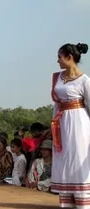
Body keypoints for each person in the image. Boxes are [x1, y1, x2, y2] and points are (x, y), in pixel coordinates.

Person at [50, 42, 90, 208]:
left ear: (69, 57)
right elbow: (56, 104)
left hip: (79, 123)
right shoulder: (57, 77)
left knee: (77, 157)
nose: (57, 60)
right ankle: (66, 203)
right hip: (61, 124)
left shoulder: (84, 81)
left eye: (60, 57)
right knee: (64, 159)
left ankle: (83, 203)